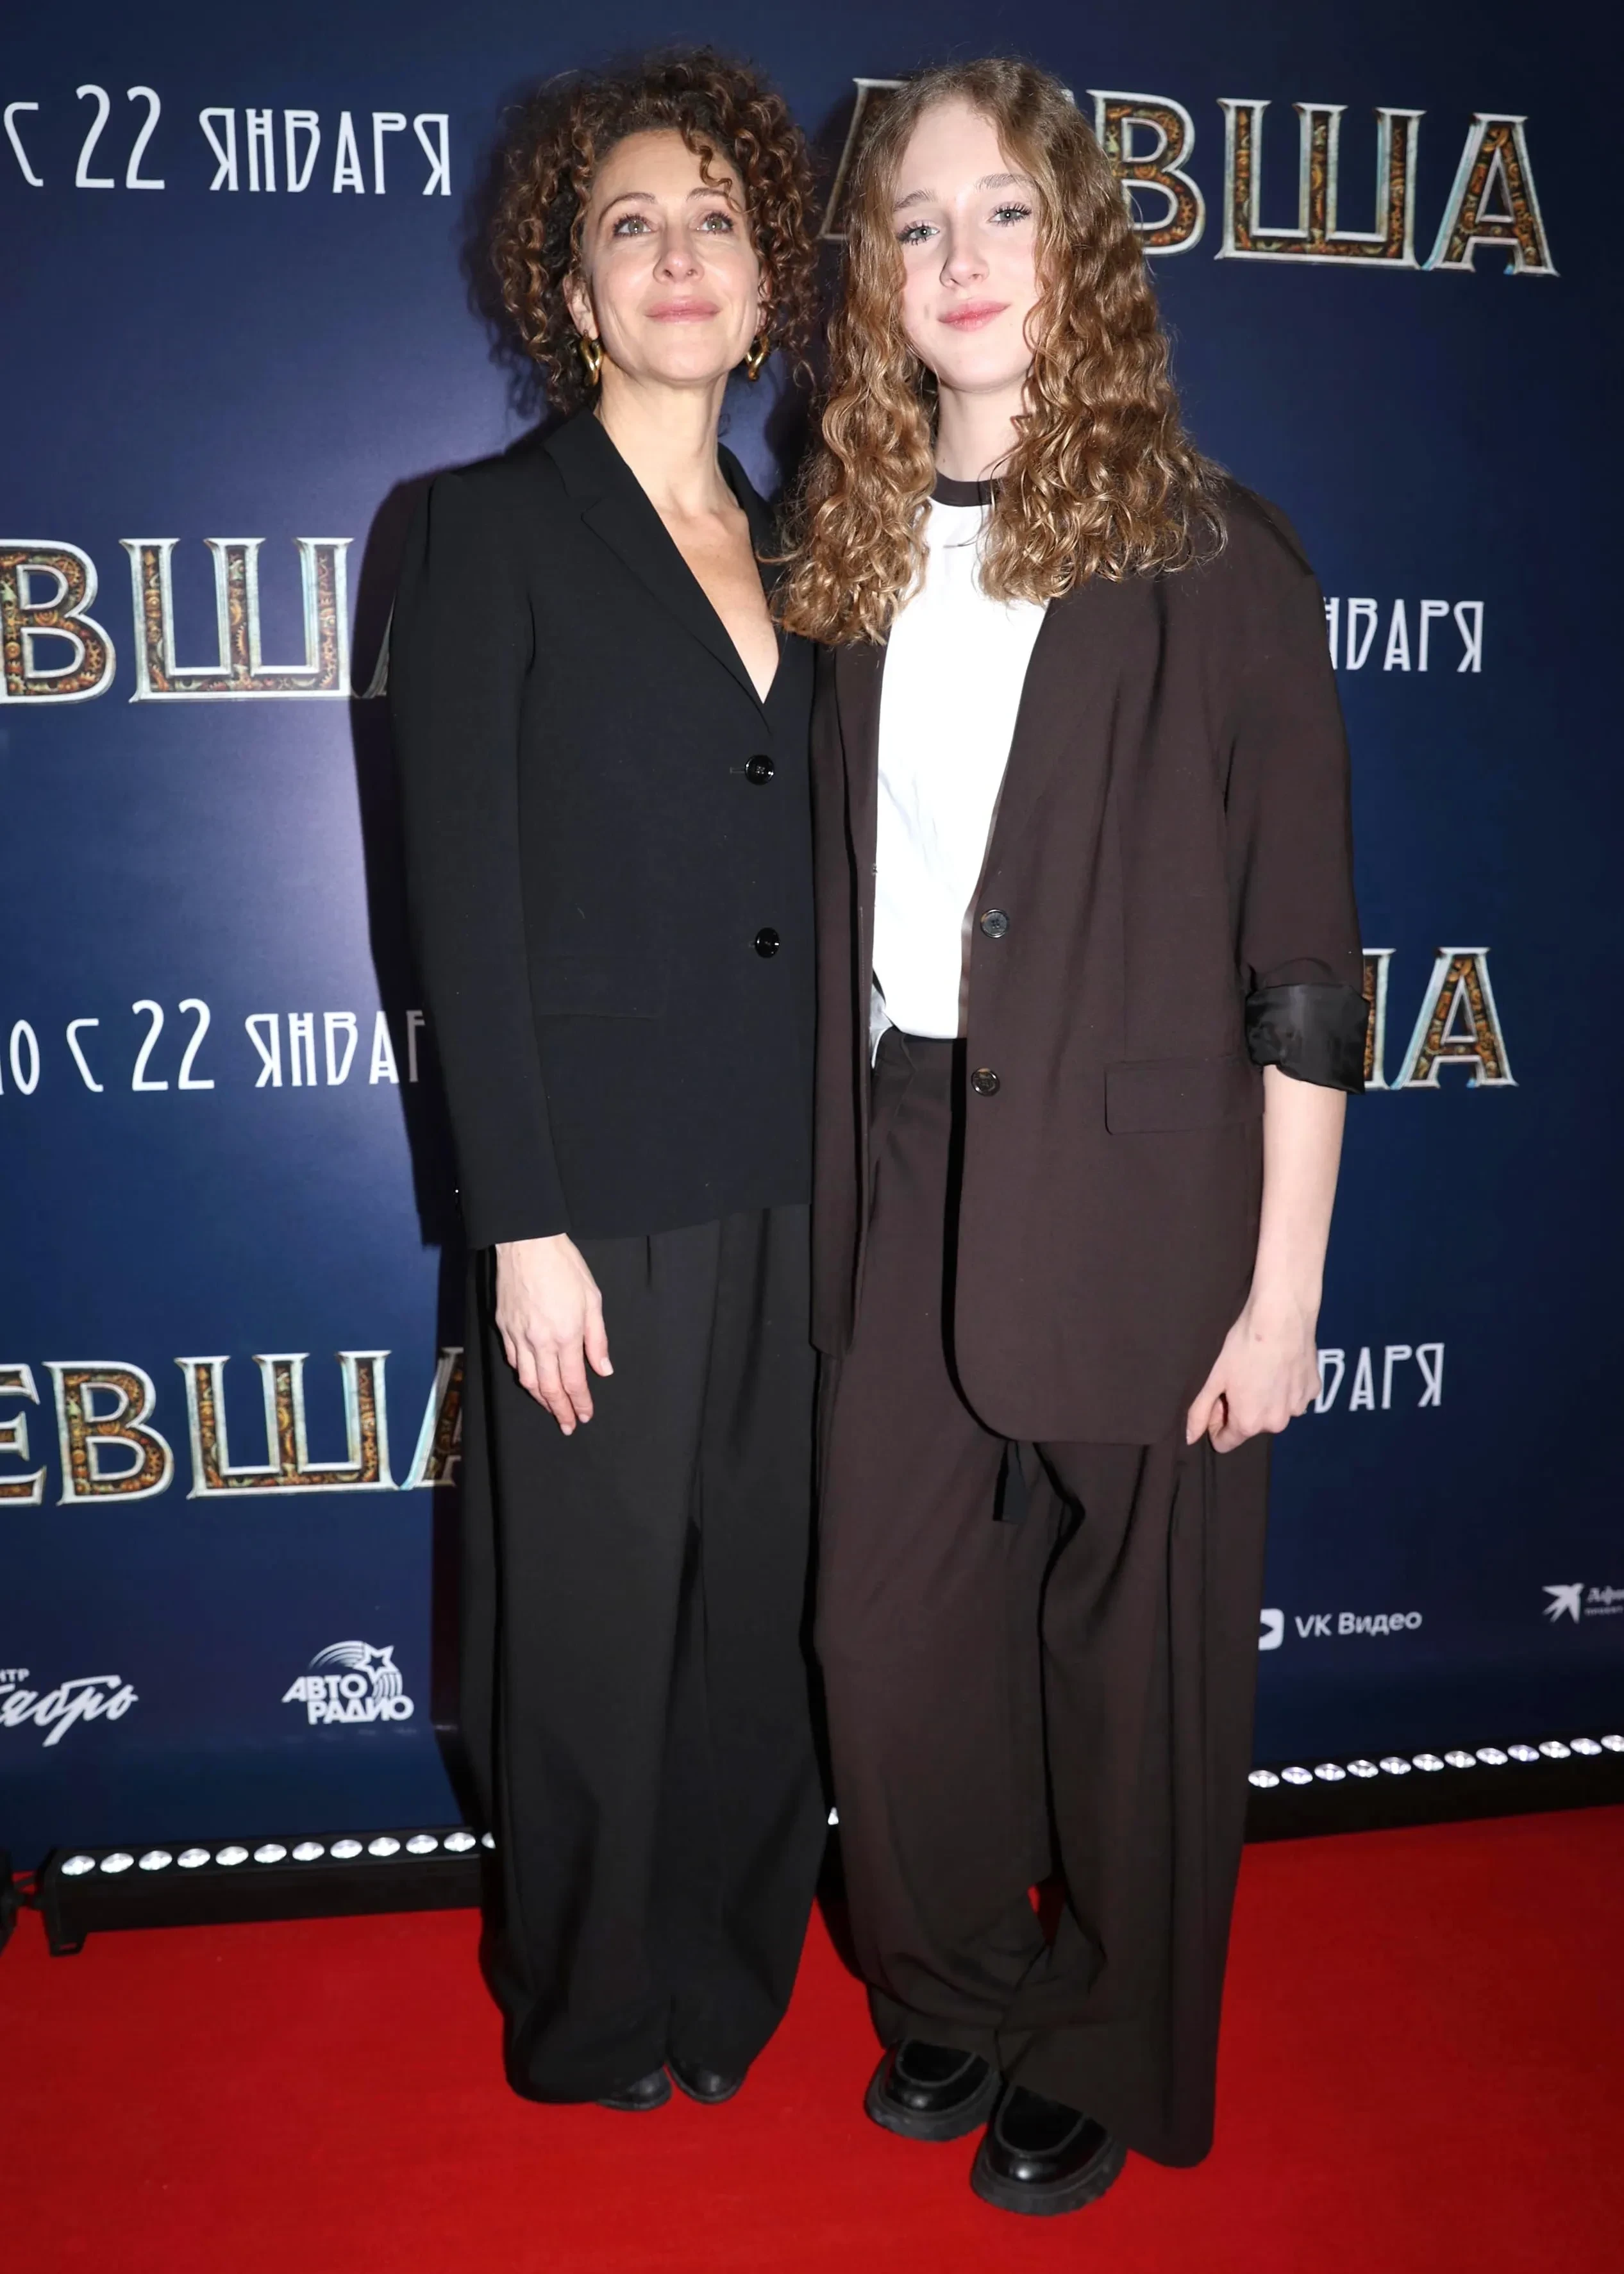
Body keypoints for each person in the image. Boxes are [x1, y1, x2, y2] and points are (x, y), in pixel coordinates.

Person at [778, 58, 1367, 2216]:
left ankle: (1106, 2037)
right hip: (901, 1146)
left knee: (1139, 1658)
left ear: (1081, 247)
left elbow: (1303, 964)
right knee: (880, 1628)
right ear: (872, 273)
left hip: (1151, 1180)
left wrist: (1282, 1291)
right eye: (915, 222)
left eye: (1006, 211)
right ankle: (949, 1979)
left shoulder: (1213, 551)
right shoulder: (841, 544)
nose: (960, 260)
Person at [389, 52, 825, 2113]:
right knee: (580, 1631)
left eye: (714, 221)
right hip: (599, 1200)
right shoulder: (485, 533)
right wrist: (523, 1227)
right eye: (628, 223)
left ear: (765, 286)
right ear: (569, 292)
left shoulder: (816, 547)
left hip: (804, 1184)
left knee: (763, 1615)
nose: (676, 254)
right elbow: (461, 911)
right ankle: (583, 2014)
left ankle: (729, 1981)